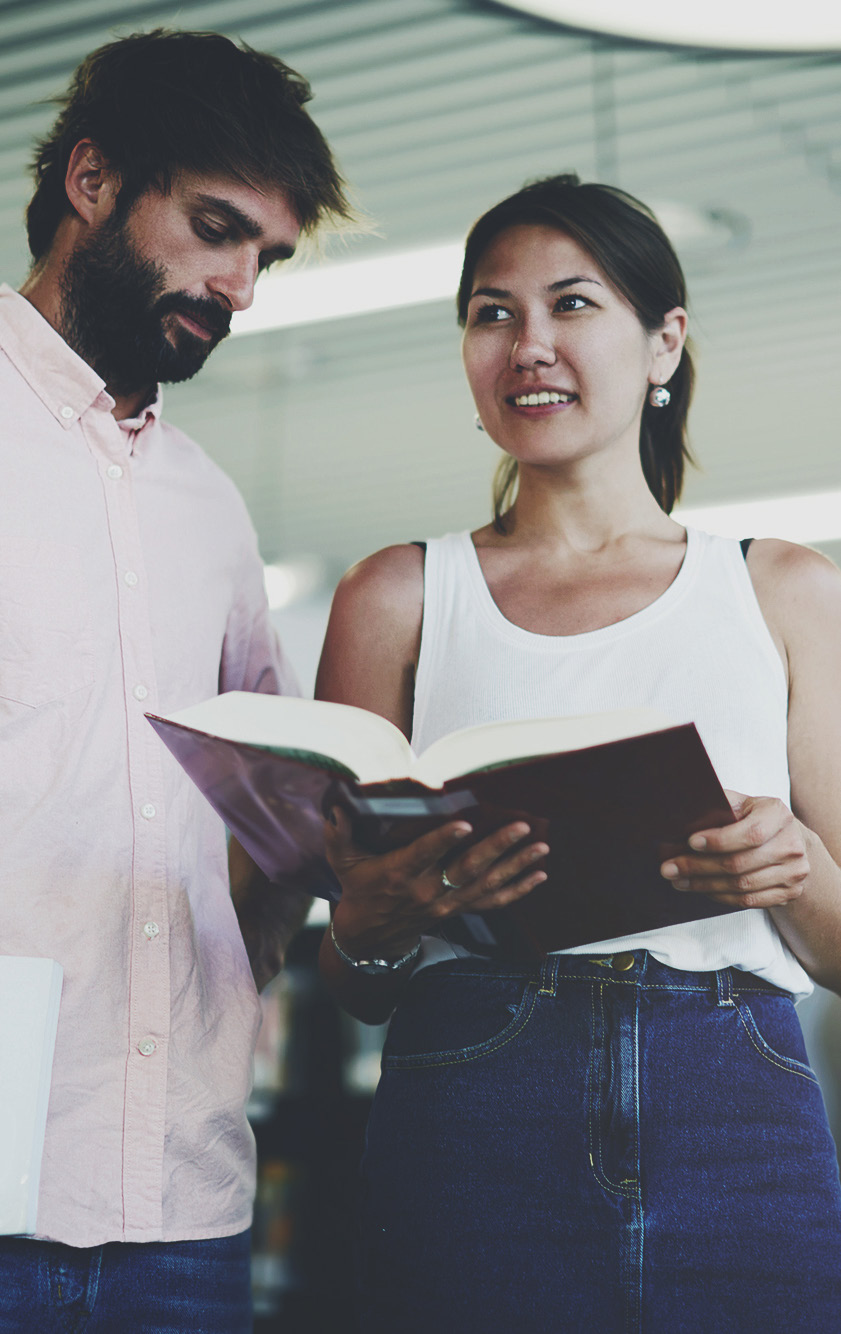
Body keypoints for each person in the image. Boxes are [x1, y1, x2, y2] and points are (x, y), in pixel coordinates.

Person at [315, 174, 841, 1332]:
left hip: (734, 1098)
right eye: (490, 313)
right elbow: (350, 979)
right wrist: (379, 915)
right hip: (475, 1085)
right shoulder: (395, 595)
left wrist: (790, 855)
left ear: (664, 343)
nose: (526, 345)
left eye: (570, 305)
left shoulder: (785, 589)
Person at [0, 29, 351, 1333]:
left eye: (265, 254)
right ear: (91, 180)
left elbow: (260, 810)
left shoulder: (208, 508)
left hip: (185, 1203)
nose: (240, 286)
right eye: (214, 228)